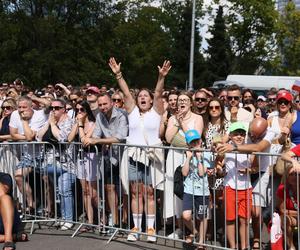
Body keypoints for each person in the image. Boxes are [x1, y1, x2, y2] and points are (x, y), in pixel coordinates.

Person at [108, 57, 171, 242]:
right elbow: (126, 93)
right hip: (133, 156)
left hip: (152, 157)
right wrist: (118, 74)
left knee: (150, 193)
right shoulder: (132, 111)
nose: (143, 98)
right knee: (135, 192)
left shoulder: (157, 112)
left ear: (151, 101)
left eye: (146, 96)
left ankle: (150, 229)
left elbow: (159, 93)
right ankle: (136, 227)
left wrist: (161, 77)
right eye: (140, 96)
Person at [83, 93, 128, 229]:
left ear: (112, 103)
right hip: (109, 156)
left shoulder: (122, 115)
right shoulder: (99, 116)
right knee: (109, 188)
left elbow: (120, 138)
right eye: (100, 105)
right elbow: (96, 134)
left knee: (126, 189)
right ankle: (114, 221)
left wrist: (98, 140)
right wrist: (88, 139)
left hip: (125, 155)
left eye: (105, 104)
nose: (102, 107)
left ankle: (125, 221)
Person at [164, 91, 204, 239]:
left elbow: (195, 140)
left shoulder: (198, 118)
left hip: (191, 159)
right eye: (180, 100)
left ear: (191, 103)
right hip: (174, 157)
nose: (182, 102)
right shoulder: (172, 118)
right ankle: (180, 228)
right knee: (176, 192)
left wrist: (182, 123)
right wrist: (176, 121)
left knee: (190, 192)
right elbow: (168, 138)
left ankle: (196, 231)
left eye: (185, 100)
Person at [216, 122, 256, 250]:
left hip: (246, 188)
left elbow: (256, 168)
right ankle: (232, 247)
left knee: (244, 220)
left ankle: (244, 247)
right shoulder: (224, 148)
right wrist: (220, 171)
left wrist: (248, 171)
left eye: (241, 134)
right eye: (236, 134)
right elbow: (218, 167)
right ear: (231, 135)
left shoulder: (249, 148)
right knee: (230, 219)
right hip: (230, 187)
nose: (239, 136)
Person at [36, 99, 74, 230]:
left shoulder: (69, 122)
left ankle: (68, 219)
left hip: (66, 163)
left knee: (65, 191)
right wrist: (49, 123)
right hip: (51, 162)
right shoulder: (51, 120)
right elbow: (38, 136)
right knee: (59, 192)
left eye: (57, 108)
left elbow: (63, 138)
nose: (54, 110)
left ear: (64, 109)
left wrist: (53, 125)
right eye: (52, 108)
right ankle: (62, 218)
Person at [9, 96, 47, 212]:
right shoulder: (15, 114)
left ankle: (49, 208)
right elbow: (13, 134)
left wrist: (25, 122)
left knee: (47, 181)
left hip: (43, 154)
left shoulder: (39, 115)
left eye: (24, 107)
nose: (21, 110)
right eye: (19, 107)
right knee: (18, 176)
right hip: (27, 155)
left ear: (31, 107)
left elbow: (30, 137)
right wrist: (27, 137)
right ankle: (31, 203)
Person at [68, 100, 97, 231]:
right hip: (80, 158)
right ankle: (90, 221)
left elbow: (84, 140)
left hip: (92, 157)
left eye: (82, 110)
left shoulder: (92, 123)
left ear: (87, 111)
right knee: (85, 191)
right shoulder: (77, 123)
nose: (79, 112)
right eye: (77, 110)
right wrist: (77, 124)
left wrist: (80, 125)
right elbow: (69, 139)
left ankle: (102, 217)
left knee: (93, 192)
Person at [181, 130, 210, 249]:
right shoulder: (186, 154)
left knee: (202, 217)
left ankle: (201, 242)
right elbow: (184, 172)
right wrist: (188, 158)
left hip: (202, 191)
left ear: (201, 141)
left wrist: (199, 158)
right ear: (188, 144)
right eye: (192, 142)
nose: (195, 144)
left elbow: (202, 173)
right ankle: (195, 231)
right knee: (186, 216)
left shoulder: (206, 154)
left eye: (196, 141)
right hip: (189, 189)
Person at [0, 173, 28, 250]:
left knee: (5, 198)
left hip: (5, 221)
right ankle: (15, 236)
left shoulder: (4, 177)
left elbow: (2, 192)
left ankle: (8, 239)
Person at [277, 167, 299, 250]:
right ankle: (291, 246)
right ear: (286, 176)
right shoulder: (282, 189)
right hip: (291, 217)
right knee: (285, 220)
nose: (294, 177)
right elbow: (282, 209)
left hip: (293, 215)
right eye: (291, 174)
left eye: (297, 174)